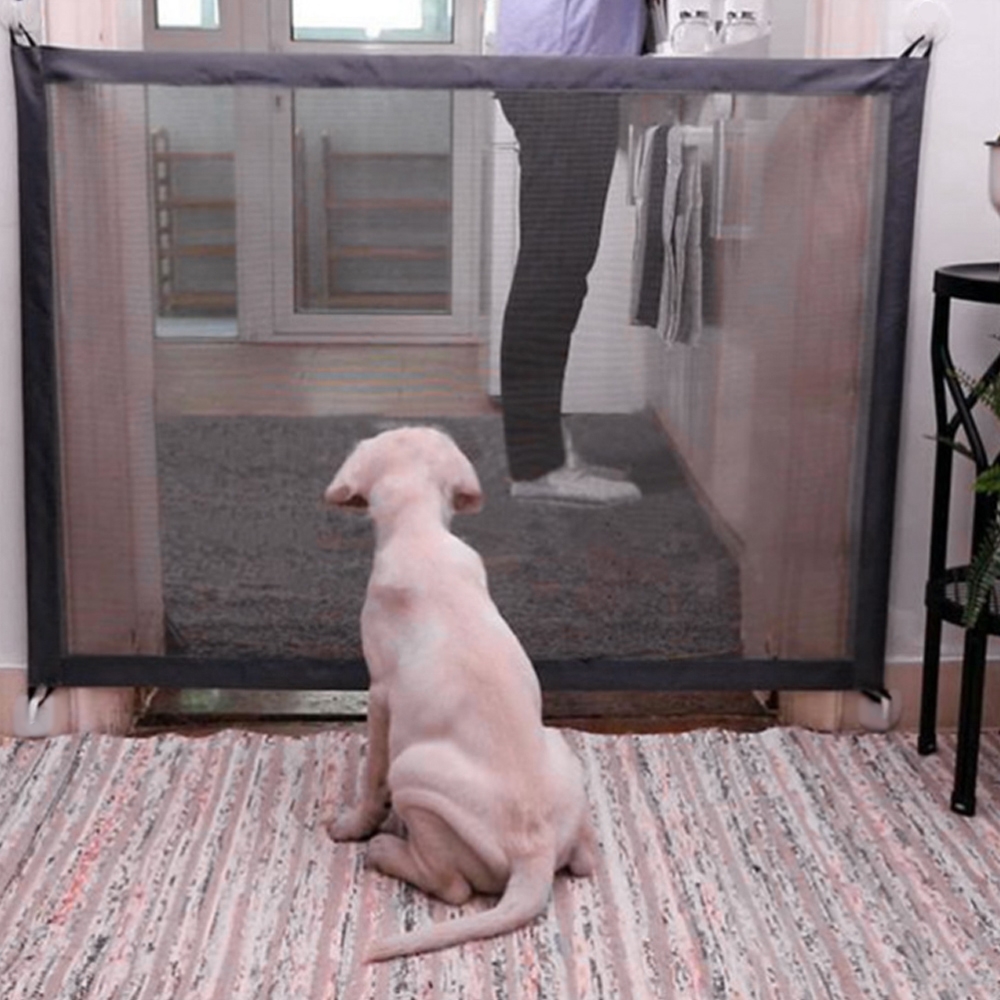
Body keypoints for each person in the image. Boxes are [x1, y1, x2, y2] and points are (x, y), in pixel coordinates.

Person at [495, 0, 647, 504]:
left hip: (563, 69)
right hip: (564, 72)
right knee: (553, 268)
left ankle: (544, 455)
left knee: (556, 267)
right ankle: (538, 466)